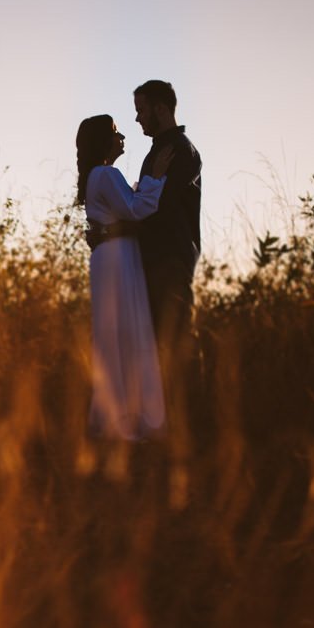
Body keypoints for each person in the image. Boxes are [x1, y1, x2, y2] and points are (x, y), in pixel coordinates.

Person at [76, 115, 167, 441]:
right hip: (117, 258)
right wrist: (155, 179)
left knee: (113, 334)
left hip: (110, 255)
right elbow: (135, 209)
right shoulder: (105, 174)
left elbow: (125, 212)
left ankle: (117, 414)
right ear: (103, 140)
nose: (122, 137)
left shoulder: (97, 176)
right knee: (127, 330)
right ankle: (129, 417)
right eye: (116, 133)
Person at [129, 80, 201, 418]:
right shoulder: (158, 151)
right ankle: (163, 423)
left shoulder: (180, 152)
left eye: (142, 110)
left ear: (160, 109)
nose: (138, 119)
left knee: (177, 343)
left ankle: (190, 424)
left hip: (170, 261)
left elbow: (157, 206)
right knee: (157, 346)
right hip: (152, 262)